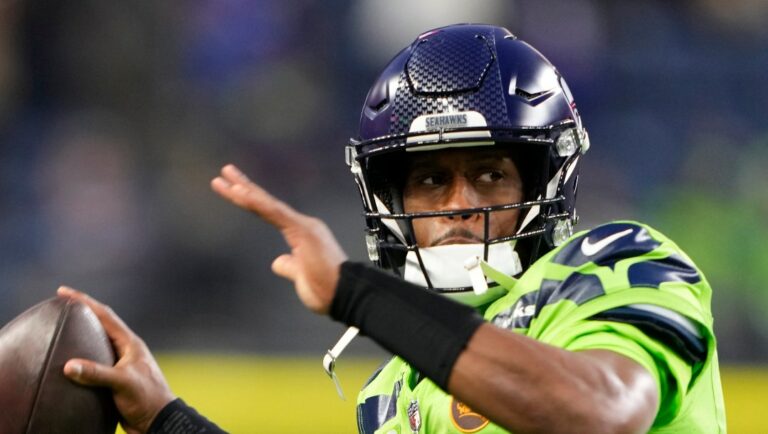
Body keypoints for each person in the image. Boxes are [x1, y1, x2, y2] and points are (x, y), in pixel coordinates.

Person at [61, 24, 726, 433]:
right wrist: (166, 421)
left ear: (542, 183)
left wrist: (358, 294)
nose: (459, 204)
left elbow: (601, 416)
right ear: (388, 198)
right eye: (431, 179)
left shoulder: (618, 266)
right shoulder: (394, 389)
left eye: (490, 174)